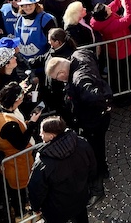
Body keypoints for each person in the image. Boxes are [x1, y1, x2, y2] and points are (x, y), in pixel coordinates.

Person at [45, 49, 112, 185]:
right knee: (98, 144)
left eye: (58, 78)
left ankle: (99, 172)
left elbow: (94, 96)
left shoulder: (78, 80)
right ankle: (101, 169)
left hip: (93, 120)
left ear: (62, 73)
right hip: (97, 116)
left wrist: (104, 106)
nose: (59, 81)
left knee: (96, 145)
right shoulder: (79, 55)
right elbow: (92, 55)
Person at [27, 115, 100, 223]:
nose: (40, 135)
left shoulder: (44, 162)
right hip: (80, 198)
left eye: (42, 132)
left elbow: (36, 188)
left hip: (57, 208)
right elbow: (92, 168)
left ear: (51, 136)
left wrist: (36, 207)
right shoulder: (82, 144)